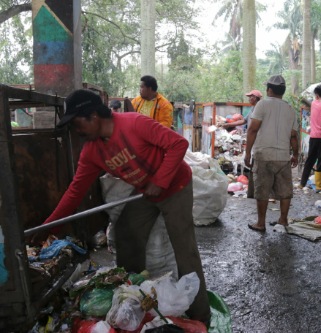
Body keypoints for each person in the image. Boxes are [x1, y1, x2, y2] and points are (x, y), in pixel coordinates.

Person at [37, 89, 211, 325]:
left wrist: (159, 181)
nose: (76, 132)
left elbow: (178, 144)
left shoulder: (134, 124)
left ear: (93, 117)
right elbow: (75, 191)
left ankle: (200, 317)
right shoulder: (91, 152)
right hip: (145, 191)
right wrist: (49, 227)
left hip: (176, 185)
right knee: (125, 234)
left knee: (184, 249)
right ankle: (130, 301)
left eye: (77, 124)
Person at [244, 75, 299, 232]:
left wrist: (248, 153)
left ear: (269, 89)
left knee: (262, 189)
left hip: (263, 155)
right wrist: (295, 154)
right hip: (283, 156)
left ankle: (261, 223)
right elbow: (294, 136)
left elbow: (252, 129)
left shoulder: (262, 105)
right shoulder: (290, 109)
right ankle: (283, 220)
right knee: (285, 190)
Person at [299, 85, 321, 191]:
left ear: (317, 95)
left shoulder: (314, 103)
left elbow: (307, 103)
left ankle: (302, 183)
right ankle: (320, 185)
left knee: (310, 160)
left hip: (313, 136)